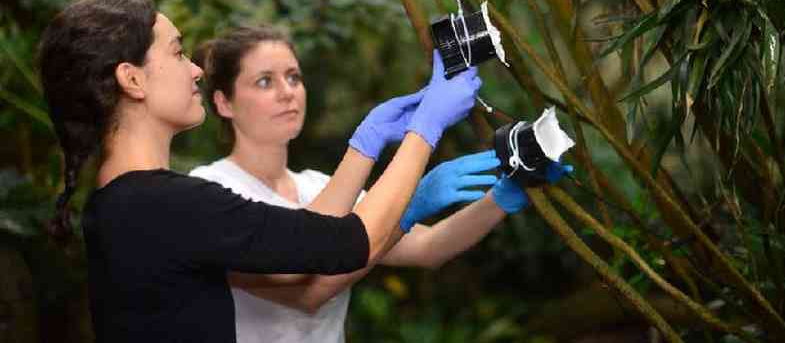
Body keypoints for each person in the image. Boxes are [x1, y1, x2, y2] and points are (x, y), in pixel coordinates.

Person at [38, 0, 482, 343]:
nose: (195, 70)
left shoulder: (123, 203)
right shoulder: (168, 203)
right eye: (177, 54)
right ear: (131, 79)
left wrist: (363, 147)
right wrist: (425, 129)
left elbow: (302, 255)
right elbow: (347, 244)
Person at [190, 26, 545, 343]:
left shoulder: (320, 187)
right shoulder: (209, 191)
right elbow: (308, 294)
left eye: (294, 78)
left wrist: (506, 195)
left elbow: (428, 247)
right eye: (265, 81)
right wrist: (406, 208)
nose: (288, 93)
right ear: (223, 102)